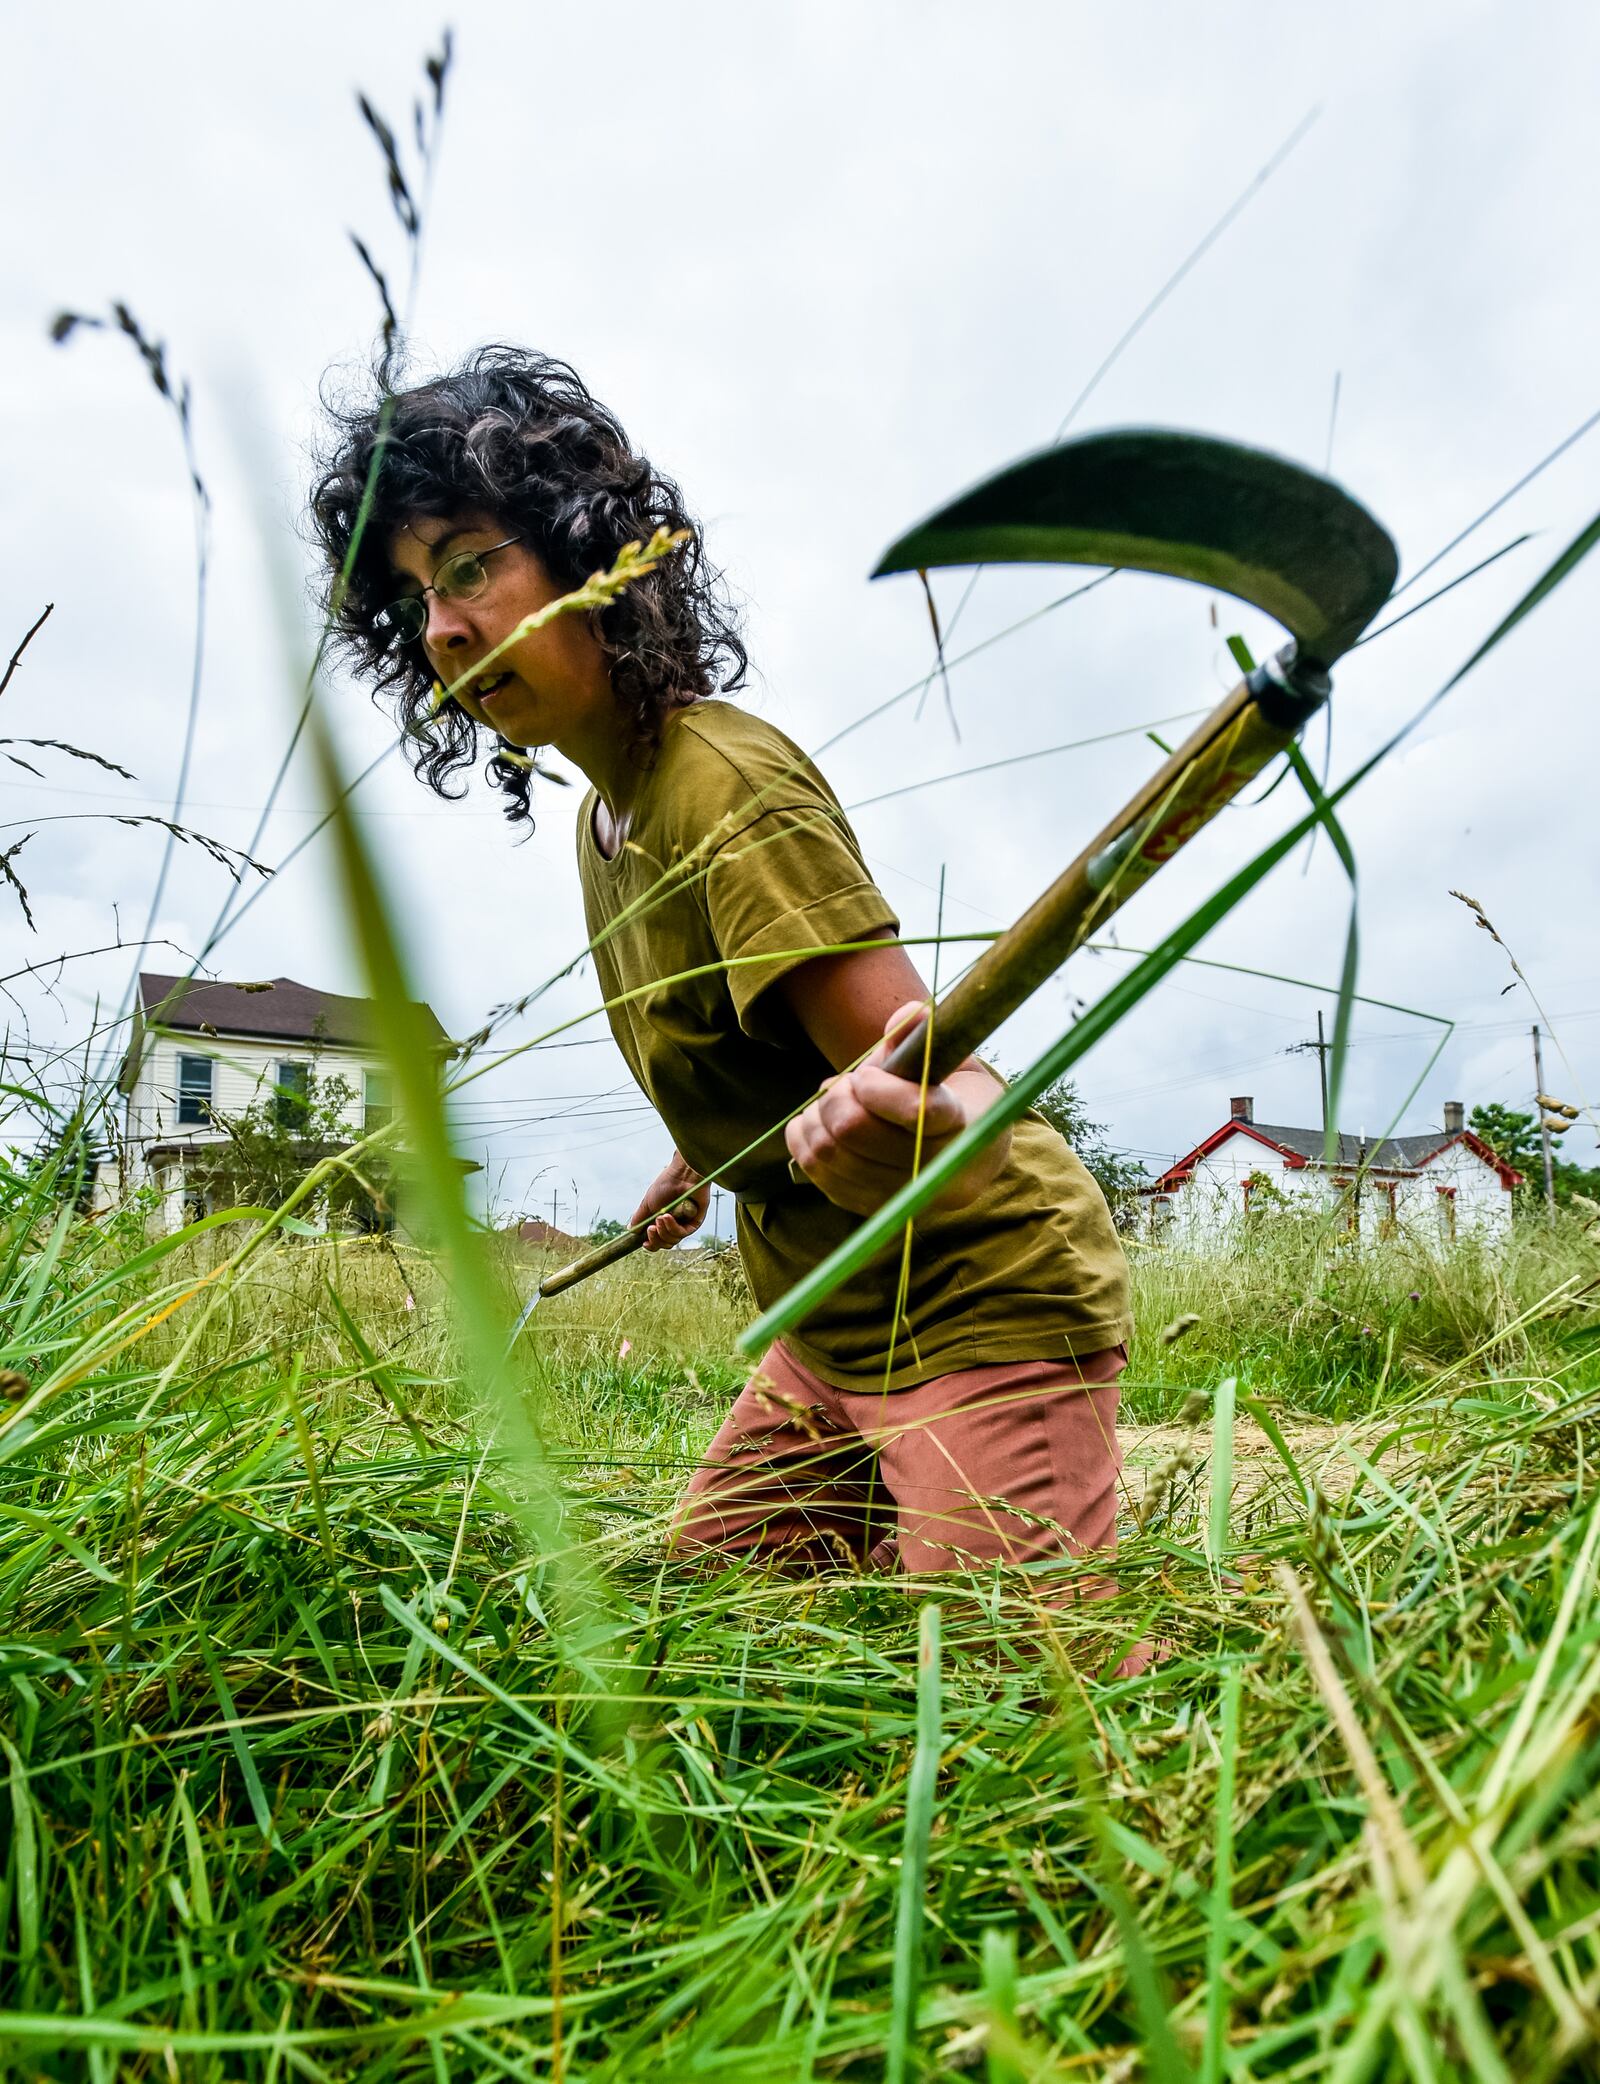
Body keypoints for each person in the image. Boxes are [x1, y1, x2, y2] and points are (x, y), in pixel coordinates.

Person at [312, 347, 1143, 1667]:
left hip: (979, 1294)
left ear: (591, 561)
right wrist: (706, 1155)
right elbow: (763, 1043)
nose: (446, 629)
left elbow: (953, 1080)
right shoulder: (609, 819)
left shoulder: (720, 788)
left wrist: (901, 1123)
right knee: (710, 1640)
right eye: (415, 598)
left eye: (471, 566)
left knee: (1018, 1713)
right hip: (828, 1324)